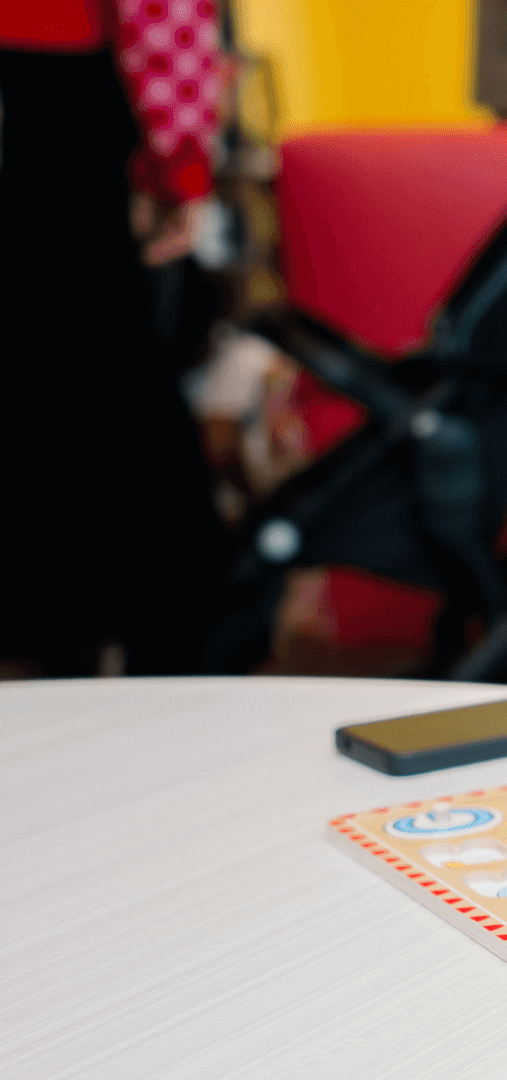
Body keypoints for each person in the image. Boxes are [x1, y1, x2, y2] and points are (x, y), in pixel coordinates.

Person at [0, 0, 231, 675]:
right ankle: (163, 628)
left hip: (42, 77)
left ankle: (47, 626)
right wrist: (182, 164)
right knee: (99, 377)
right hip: (51, 79)